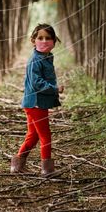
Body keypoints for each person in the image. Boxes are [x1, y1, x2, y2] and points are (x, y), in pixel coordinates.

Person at [10, 23, 65, 177]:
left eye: (48, 38)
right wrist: (55, 89)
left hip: (35, 102)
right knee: (45, 135)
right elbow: (37, 83)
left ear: (54, 41)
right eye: (40, 37)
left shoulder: (46, 57)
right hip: (35, 102)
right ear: (33, 40)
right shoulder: (36, 59)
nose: (44, 40)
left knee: (33, 135)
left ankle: (17, 165)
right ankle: (47, 169)